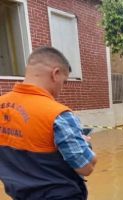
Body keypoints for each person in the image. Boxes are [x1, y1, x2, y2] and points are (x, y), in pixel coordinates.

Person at [0, 47, 97, 199]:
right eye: (64, 82)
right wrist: (84, 144)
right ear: (55, 73)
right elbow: (86, 167)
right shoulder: (59, 115)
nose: (61, 89)